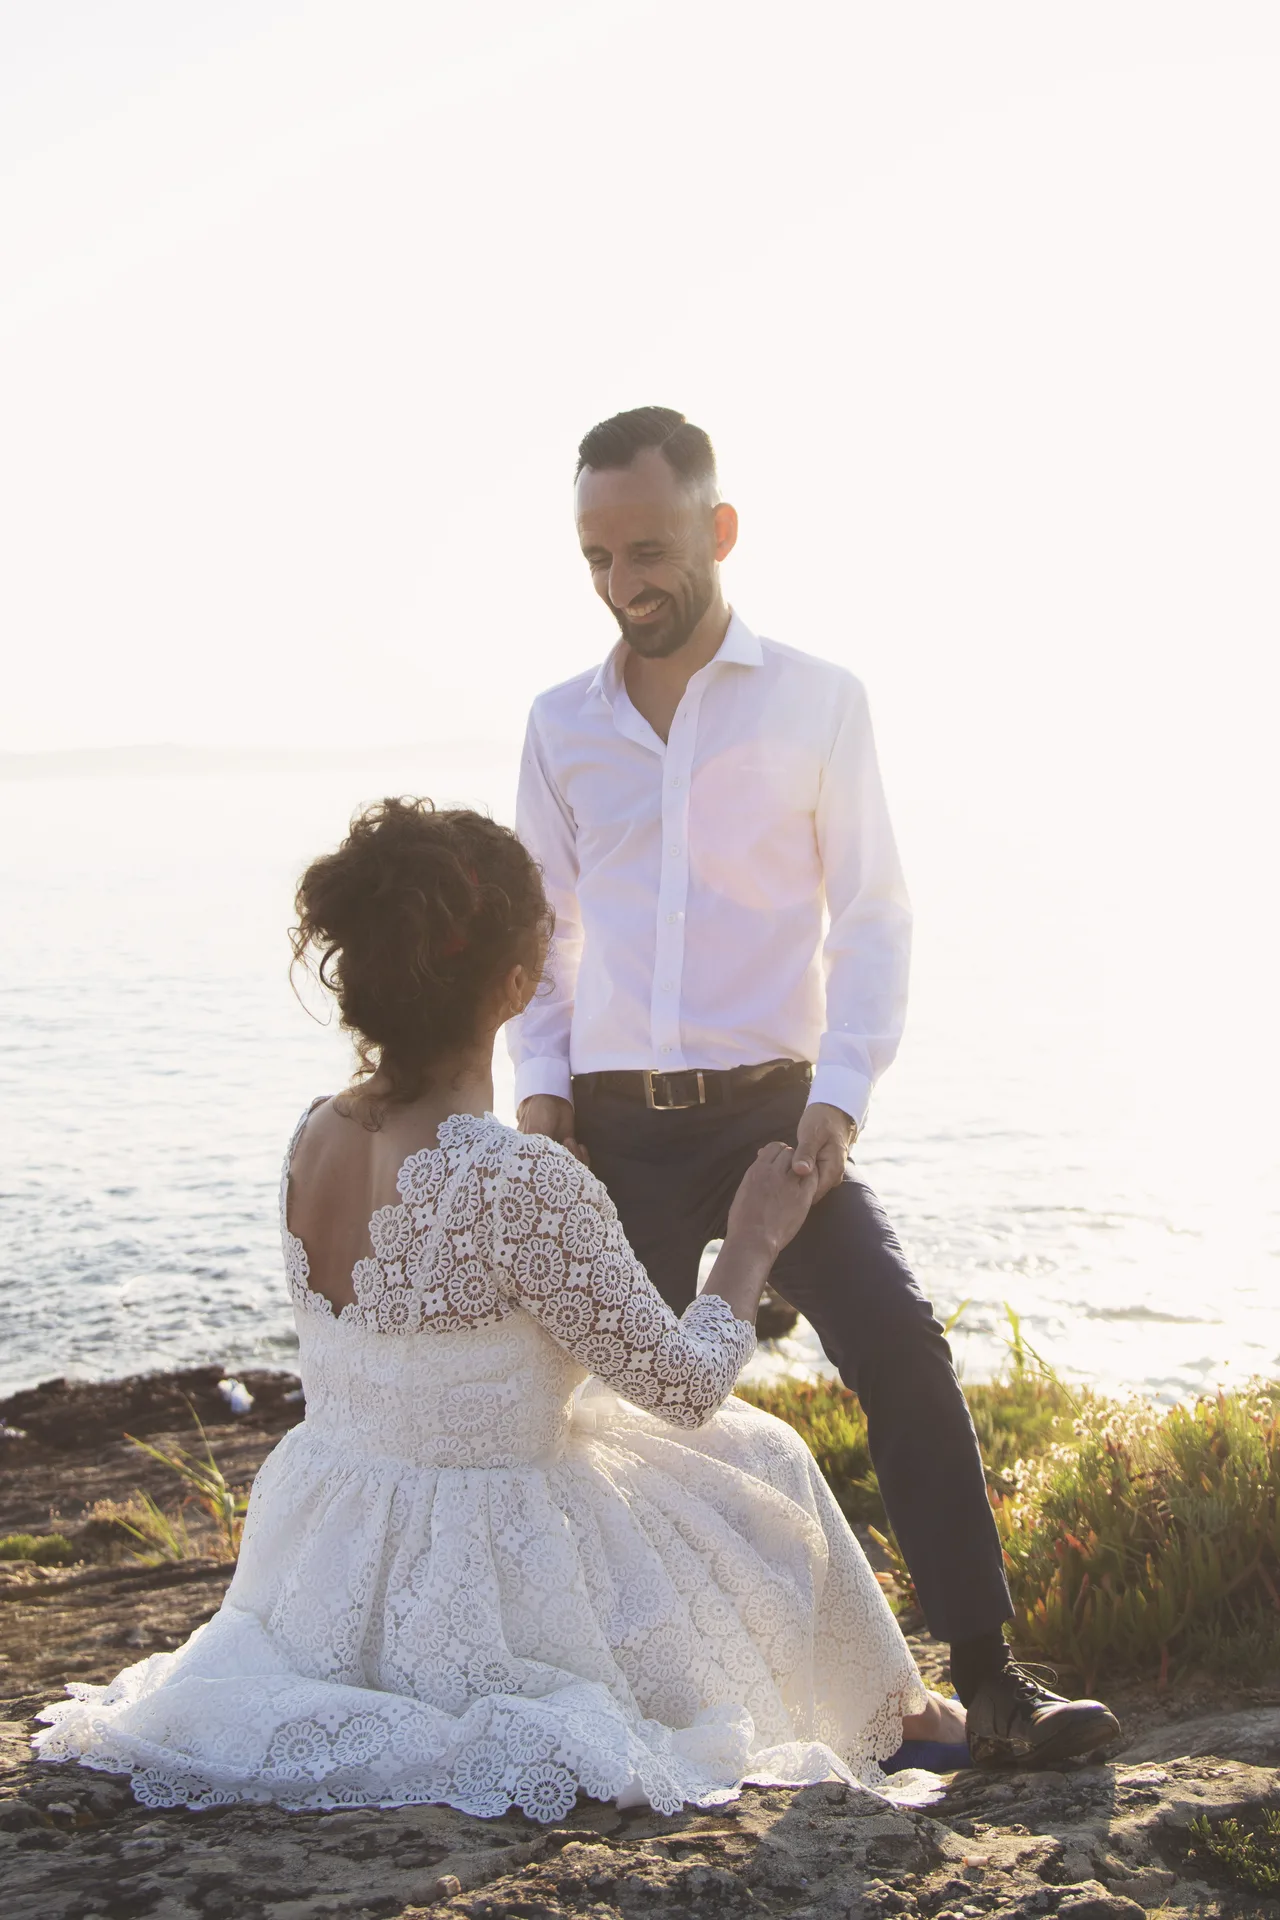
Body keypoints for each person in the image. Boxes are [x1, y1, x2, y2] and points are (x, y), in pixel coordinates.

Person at [36, 798, 963, 1821]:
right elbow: (686, 1388)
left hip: (327, 1544)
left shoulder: (313, 1134)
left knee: (725, 1457)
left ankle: (905, 1711)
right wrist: (750, 1242)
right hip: (483, 1557)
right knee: (762, 1459)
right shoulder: (516, 1181)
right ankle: (902, 1717)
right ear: (518, 986)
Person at [511, 406, 1120, 1767]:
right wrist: (543, 1105)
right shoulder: (560, 727)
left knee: (901, 1347)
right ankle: (597, 1688)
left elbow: (878, 916)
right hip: (608, 1131)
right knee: (564, 1404)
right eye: (598, 558)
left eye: (650, 549)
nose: (625, 583)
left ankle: (994, 1687)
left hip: (776, 1118)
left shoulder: (820, 699)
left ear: (718, 531)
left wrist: (835, 1106)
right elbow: (535, 940)